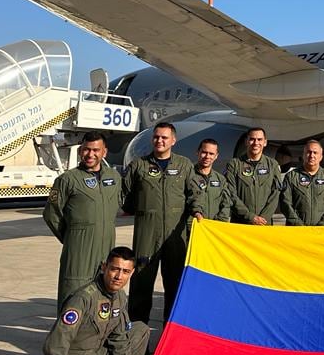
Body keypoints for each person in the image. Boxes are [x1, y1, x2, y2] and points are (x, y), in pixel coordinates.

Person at [121, 122, 202, 324]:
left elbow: (194, 194)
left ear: (173, 140)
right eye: (156, 137)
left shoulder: (184, 165)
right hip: (147, 235)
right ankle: (137, 336)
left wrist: (198, 210)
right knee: (141, 283)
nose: (159, 140)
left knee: (174, 285)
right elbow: (126, 196)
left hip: (175, 237)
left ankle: (170, 333)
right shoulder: (139, 165)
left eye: (164, 137)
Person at [43, 131, 122, 309]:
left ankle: (96, 334)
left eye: (95, 150)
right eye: (86, 150)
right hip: (79, 250)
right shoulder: (68, 180)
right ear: (80, 151)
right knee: (73, 293)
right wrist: (72, 237)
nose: (90, 154)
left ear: (104, 152)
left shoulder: (114, 178)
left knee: (102, 294)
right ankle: (67, 335)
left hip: (106, 249)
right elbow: (51, 214)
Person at [225, 127, 282, 225]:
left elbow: (275, 194)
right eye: (252, 139)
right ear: (246, 142)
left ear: (265, 142)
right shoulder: (234, 164)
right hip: (241, 223)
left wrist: (264, 218)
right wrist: (250, 217)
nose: (256, 143)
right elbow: (231, 194)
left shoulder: (272, 165)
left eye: (259, 139)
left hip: (264, 224)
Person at [279, 139, 324, 225]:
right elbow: (285, 203)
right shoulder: (291, 176)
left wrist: (323, 224)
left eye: (315, 153)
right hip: (296, 230)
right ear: (303, 155)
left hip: (320, 231)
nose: (312, 155)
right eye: (309, 152)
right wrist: (298, 224)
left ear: (321, 157)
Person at [190, 138, 231, 233]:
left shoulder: (220, 179)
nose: (207, 156)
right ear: (198, 152)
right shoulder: (188, 175)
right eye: (204, 152)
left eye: (211, 154)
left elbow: (226, 203)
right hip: (193, 229)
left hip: (214, 230)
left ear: (216, 156)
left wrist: (218, 223)